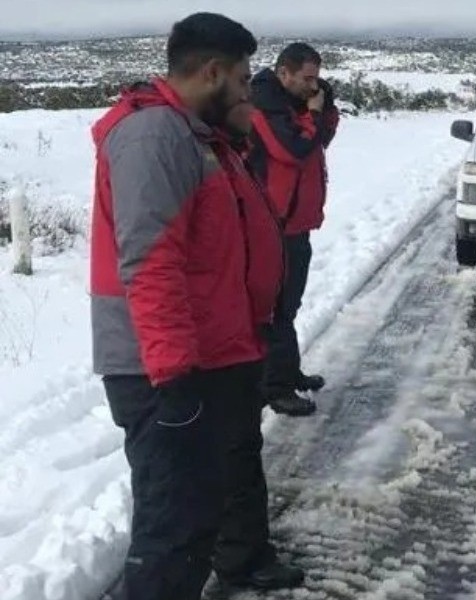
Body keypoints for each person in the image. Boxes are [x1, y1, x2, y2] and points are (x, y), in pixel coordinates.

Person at [90, 13, 302, 598]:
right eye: (241, 77)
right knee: (173, 526)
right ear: (212, 71)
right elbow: (150, 263)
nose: (247, 90)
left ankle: (238, 559)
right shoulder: (155, 137)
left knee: (203, 508)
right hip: (167, 370)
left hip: (214, 353)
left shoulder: (199, 135)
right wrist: (175, 377)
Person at [247, 42, 340, 416]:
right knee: (277, 311)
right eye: (306, 79)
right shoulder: (264, 107)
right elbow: (293, 149)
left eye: (316, 79)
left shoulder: (295, 104)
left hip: (295, 225)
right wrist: (314, 115)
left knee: (289, 305)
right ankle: (277, 388)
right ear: (283, 73)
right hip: (273, 226)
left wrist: (324, 108)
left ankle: (287, 372)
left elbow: (322, 140)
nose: (312, 86)